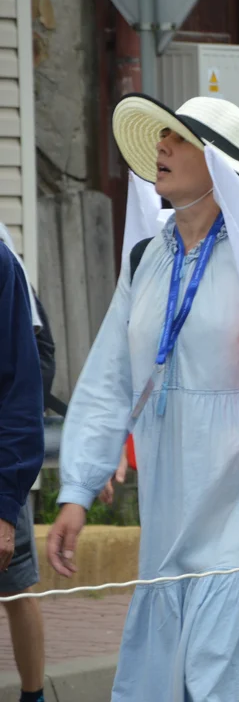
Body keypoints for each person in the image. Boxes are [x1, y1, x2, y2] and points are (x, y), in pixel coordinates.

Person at [47, 94, 239, 702]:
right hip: (168, 512)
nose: (162, 147)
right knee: (163, 681)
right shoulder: (147, 257)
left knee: (231, 680)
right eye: (161, 137)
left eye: (178, 139)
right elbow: (108, 379)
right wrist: (78, 486)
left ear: (221, 166)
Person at [0, 241, 46, 702]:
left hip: (1, 474)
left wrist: (5, 502)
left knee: (16, 588)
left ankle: (33, 695)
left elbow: (22, 385)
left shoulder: (1, 261)